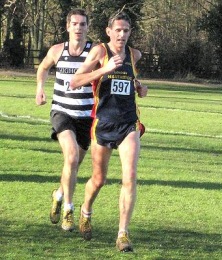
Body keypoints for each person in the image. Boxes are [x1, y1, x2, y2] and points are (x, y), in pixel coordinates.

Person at [70, 11, 148, 251]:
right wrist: (103, 70)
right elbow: (75, 81)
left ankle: (122, 234)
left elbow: (132, 82)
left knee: (130, 177)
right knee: (99, 179)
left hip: (128, 124)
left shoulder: (134, 55)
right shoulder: (100, 52)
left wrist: (140, 87)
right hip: (103, 123)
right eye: (118, 30)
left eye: (126, 31)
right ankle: (86, 210)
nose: (122, 35)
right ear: (108, 31)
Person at [36, 9, 94, 232]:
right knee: (70, 157)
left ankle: (59, 194)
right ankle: (68, 210)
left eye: (83, 24)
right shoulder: (57, 50)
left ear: (88, 27)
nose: (78, 28)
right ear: (67, 26)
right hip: (62, 111)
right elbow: (43, 67)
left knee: (74, 164)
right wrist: (40, 89)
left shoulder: (94, 53)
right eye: (75, 24)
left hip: (87, 116)